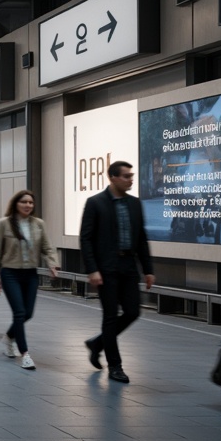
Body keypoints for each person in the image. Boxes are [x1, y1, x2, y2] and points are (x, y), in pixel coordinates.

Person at [80, 161, 155, 384]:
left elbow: (141, 238)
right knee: (110, 316)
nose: (131, 179)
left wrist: (148, 270)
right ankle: (115, 366)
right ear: (112, 177)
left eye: (131, 175)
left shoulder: (134, 204)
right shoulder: (95, 203)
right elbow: (86, 238)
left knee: (133, 312)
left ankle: (97, 343)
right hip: (106, 269)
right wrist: (92, 269)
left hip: (129, 268)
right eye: (126, 176)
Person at [0, 189, 59, 371]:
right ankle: (25, 354)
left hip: (30, 274)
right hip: (10, 273)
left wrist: (52, 264)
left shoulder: (38, 224)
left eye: (31, 202)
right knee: (19, 313)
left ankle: (9, 336)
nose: (28, 205)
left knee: (28, 313)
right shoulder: (4, 224)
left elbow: (47, 247)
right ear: (15, 204)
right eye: (24, 202)